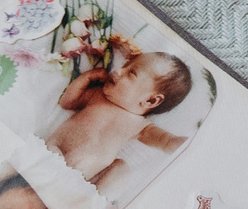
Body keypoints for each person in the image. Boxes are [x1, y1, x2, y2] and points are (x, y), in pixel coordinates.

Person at [46, 47, 193, 185]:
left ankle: (92, 203)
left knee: (121, 168)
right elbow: (67, 103)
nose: (117, 70)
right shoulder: (97, 96)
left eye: (131, 73)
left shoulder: (141, 126)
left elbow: (165, 141)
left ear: (150, 100)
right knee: (49, 158)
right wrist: (87, 77)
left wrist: (185, 146)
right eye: (125, 65)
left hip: (84, 179)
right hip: (53, 154)